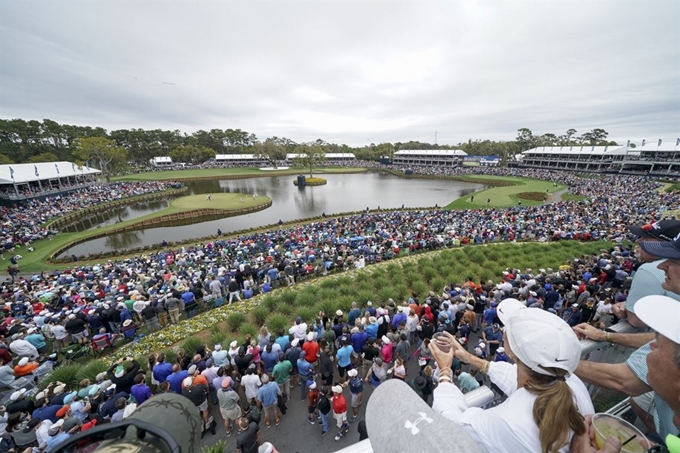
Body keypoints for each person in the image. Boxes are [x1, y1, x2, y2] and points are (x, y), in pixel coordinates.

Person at [430, 298, 593, 452]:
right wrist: (468, 357)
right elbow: (515, 377)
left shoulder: (502, 423)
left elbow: (452, 424)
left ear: (511, 351)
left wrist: (444, 370)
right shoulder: (571, 382)